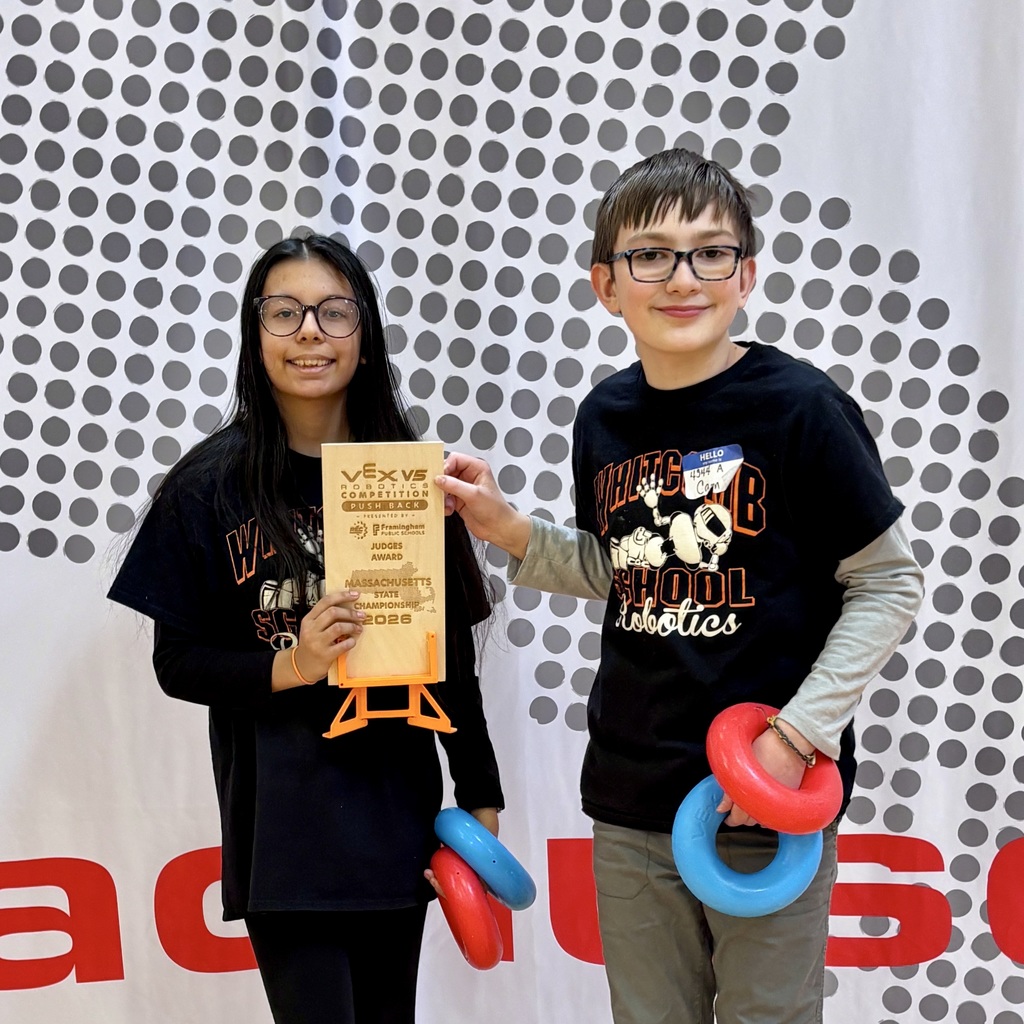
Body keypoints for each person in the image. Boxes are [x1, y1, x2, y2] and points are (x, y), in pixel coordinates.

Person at [436, 149, 924, 1024]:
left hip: (766, 795)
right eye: (650, 254)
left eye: (709, 252)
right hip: (632, 795)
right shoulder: (604, 418)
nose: (681, 277)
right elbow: (628, 568)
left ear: (746, 273)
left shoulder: (802, 408)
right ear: (605, 283)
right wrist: (509, 531)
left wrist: (794, 737)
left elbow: (886, 583)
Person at [108, 234, 504, 1024]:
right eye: (284, 312)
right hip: (283, 832)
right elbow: (177, 663)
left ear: (366, 336)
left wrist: (481, 796)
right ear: (256, 336)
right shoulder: (206, 487)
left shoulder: (407, 475)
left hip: (398, 817)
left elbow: (450, 659)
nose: (310, 332)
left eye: (333, 311)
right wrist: (294, 664)